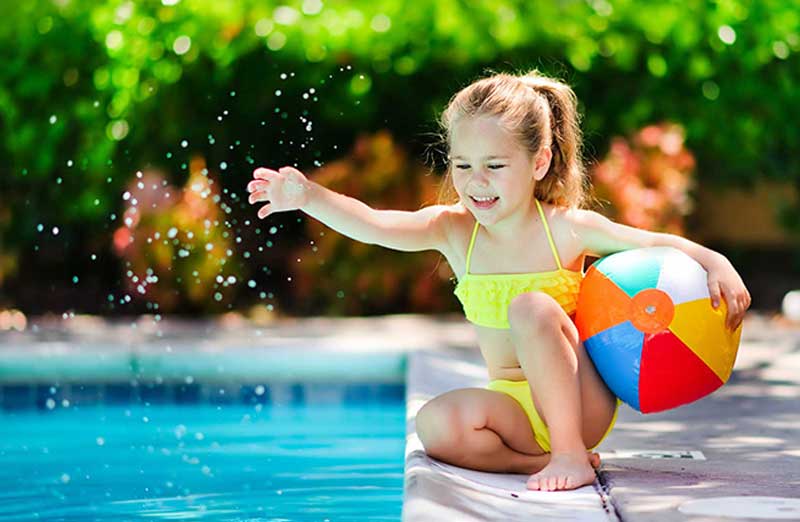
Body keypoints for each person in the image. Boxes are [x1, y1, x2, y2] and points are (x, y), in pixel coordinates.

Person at [246, 70, 751, 491]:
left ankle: (572, 455)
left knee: (530, 309)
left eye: (494, 165)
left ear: (539, 162)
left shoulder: (564, 228)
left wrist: (716, 262)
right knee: (432, 424)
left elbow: (654, 245)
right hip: (511, 410)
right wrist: (310, 197)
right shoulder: (453, 231)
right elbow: (376, 225)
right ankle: (533, 465)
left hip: (579, 403)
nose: (475, 181)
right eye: (462, 164)